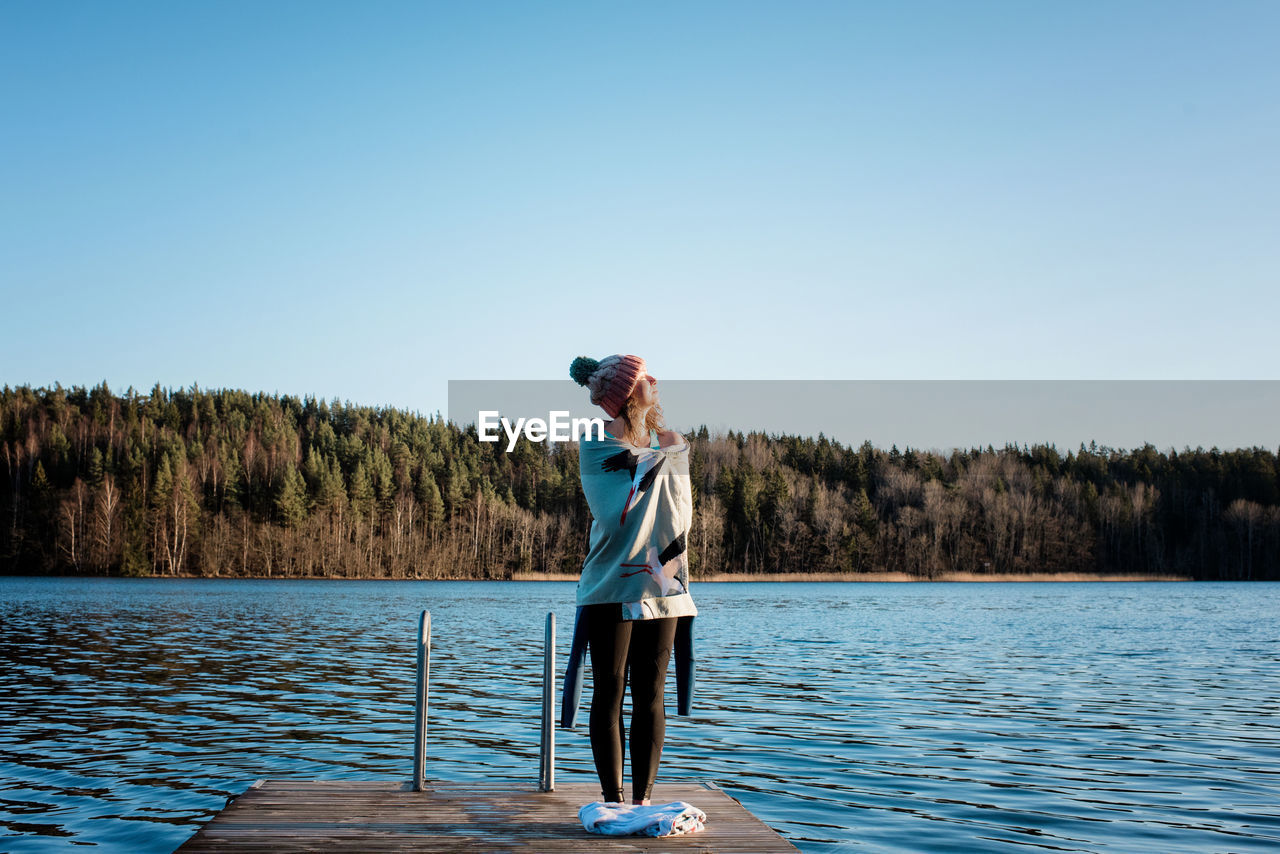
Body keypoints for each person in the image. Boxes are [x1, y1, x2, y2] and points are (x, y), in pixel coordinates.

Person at [567, 354, 697, 806]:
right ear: (624, 394)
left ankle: (642, 802)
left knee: (651, 694)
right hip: (610, 581)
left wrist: (666, 455)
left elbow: (681, 515)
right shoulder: (596, 445)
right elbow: (613, 510)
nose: (655, 382)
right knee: (609, 689)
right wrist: (665, 458)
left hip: (663, 584)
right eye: (644, 377)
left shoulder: (670, 442)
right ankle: (613, 800)